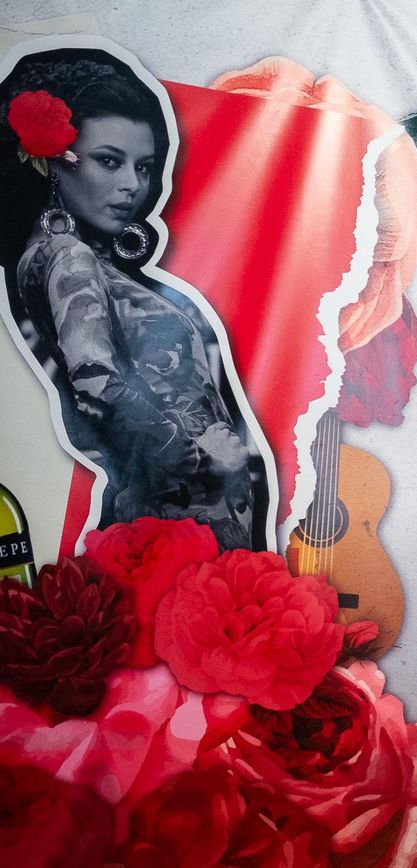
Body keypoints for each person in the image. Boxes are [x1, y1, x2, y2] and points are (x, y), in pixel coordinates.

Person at [0, 48, 266, 551]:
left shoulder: (59, 258)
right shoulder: (67, 257)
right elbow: (97, 384)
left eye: (143, 167)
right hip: (180, 518)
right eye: (109, 161)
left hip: (191, 514)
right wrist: (199, 457)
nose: (132, 186)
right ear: (54, 165)